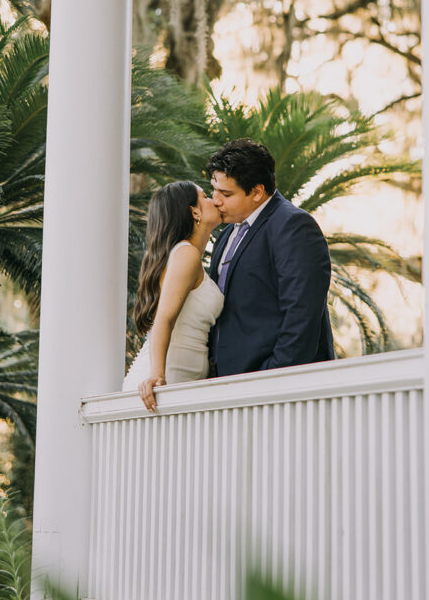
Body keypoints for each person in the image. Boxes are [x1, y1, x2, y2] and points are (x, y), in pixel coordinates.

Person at [207, 138, 334, 376]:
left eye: (225, 193)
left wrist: (274, 378)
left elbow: (301, 316)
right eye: (214, 190)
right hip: (228, 387)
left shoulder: (294, 227)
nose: (215, 200)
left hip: (276, 389)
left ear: (257, 192)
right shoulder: (225, 236)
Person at [123, 181, 223, 410]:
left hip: (182, 380)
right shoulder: (186, 254)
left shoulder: (185, 255)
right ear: (194, 211)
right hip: (163, 385)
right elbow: (164, 319)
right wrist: (157, 376)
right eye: (206, 196)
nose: (214, 200)